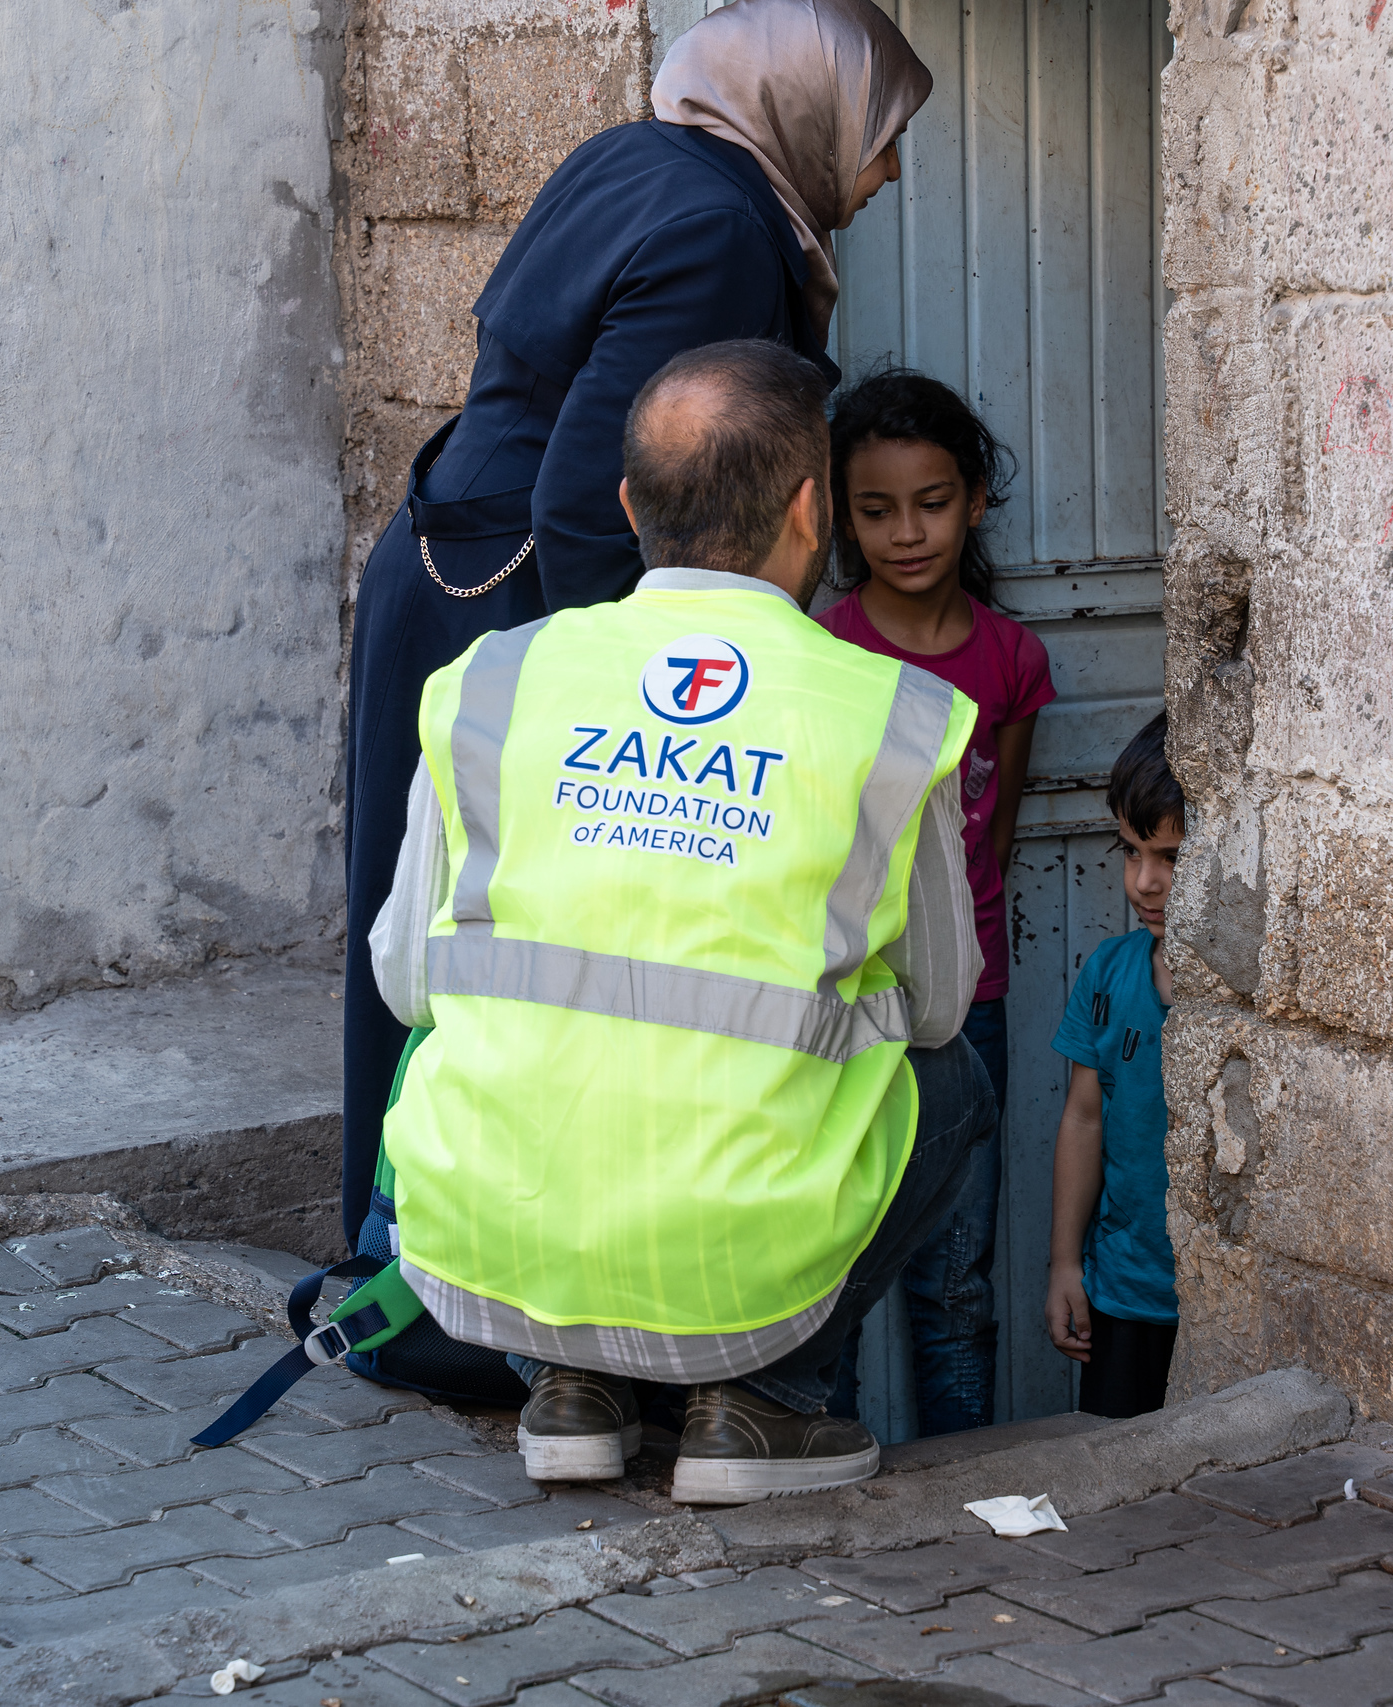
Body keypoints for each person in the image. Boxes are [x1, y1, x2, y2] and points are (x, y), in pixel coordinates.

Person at [340, 0, 934, 1260]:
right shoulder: (724, 231)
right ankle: (469, 1291)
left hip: (440, 574)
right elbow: (589, 500)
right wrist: (629, 693)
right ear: (809, 112)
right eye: (881, 138)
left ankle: (411, 1277)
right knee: (506, 966)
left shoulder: (637, 158)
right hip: (519, 596)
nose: (888, 173)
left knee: (442, 951)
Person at [367, 340, 996, 1504]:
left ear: (627, 505)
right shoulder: (889, 715)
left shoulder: (493, 680)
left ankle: (567, 1388)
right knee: (950, 1082)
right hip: (737, 1265)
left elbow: (405, 984)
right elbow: (940, 1007)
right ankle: (765, 1405)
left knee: (459, 1028)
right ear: (812, 511)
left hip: (488, 1254)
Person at [815, 369, 1057, 1435]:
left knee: (956, 1273)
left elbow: (989, 839)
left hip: (967, 1004)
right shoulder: (823, 655)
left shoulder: (1012, 660)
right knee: (822, 1258)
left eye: (932, 502)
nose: (907, 533)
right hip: (837, 1004)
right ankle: (814, 1452)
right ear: (839, 515)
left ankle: (962, 1473)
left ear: (975, 501)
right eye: (876, 510)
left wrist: (962, 963)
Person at [1044, 714, 1183, 1419]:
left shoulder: (1247, 998)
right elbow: (1083, 1116)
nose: (1144, 882)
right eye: (1130, 852)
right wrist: (1066, 1263)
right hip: (1123, 1291)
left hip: (1213, 1299)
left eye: (1170, 858)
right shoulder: (1108, 971)